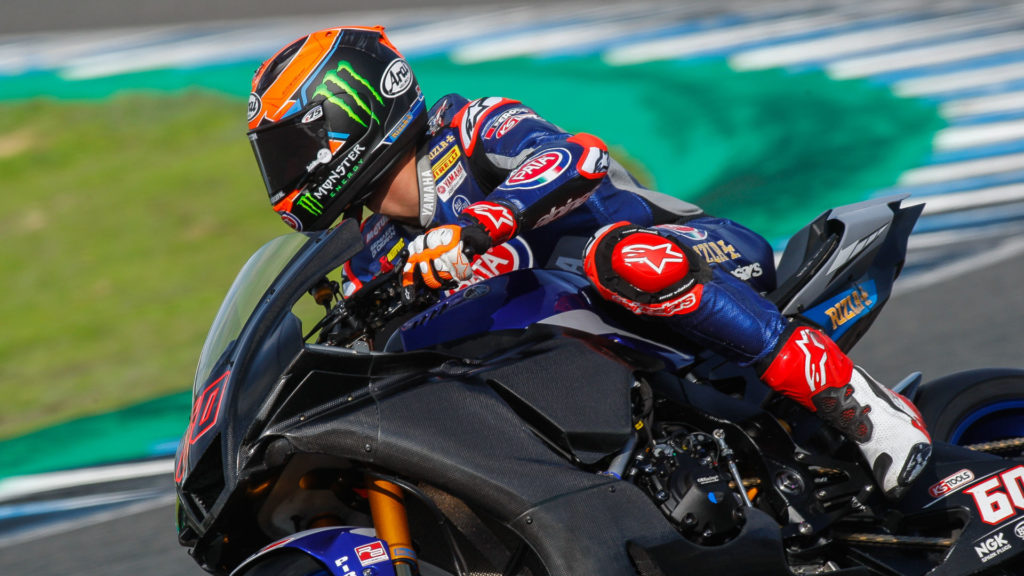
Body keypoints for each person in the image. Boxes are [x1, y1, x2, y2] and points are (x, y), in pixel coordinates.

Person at [245, 26, 931, 499]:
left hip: (695, 255)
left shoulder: (472, 126)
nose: (282, 175)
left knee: (623, 257)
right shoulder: (374, 249)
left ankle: (857, 405)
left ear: (346, 113)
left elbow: (574, 158)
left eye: (288, 150)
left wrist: (482, 223)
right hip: (574, 349)